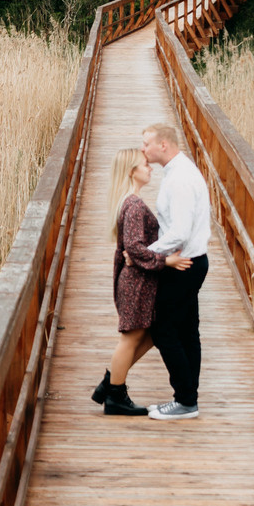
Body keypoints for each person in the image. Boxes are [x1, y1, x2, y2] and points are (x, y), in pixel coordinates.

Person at [139, 121, 210, 420]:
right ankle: (187, 398)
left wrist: (144, 253)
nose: (143, 149)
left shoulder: (180, 179)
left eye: (146, 143)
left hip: (183, 264)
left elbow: (179, 232)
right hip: (191, 260)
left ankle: (185, 400)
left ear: (163, 145)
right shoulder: (179, 171)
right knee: (187, 330)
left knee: (164, 329)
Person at [92, 149, 161, 417]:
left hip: (137, 281)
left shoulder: (130, 202)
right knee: (131, 337)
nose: (150, 168)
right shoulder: (134, 205)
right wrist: (165, 260)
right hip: (135, 283)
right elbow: (133, 247)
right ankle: (116, 396)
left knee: (151, 333)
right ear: (132, 171)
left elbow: (132, 247)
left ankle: (111, 382)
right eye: (145, 165)